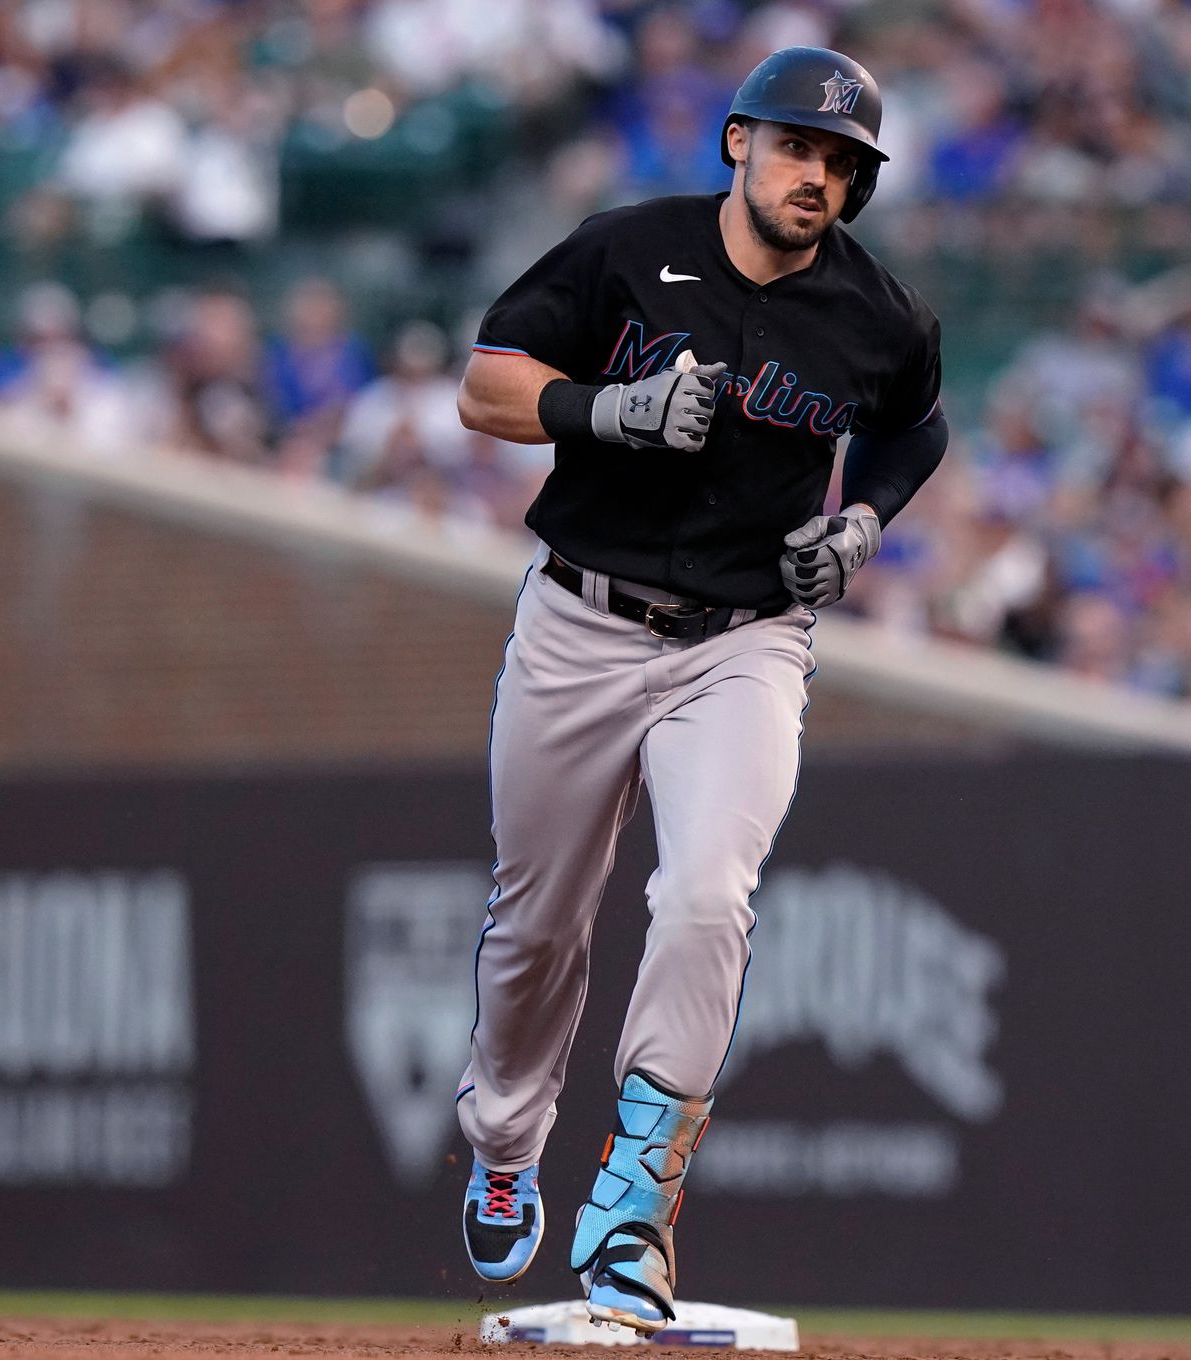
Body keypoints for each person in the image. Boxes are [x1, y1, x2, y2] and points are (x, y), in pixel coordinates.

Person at [450, 46, 946, 1332]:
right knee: (537, 924)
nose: (818, 176)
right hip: (581, 617)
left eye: (843, 163)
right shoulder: (626, 250)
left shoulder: (876, 314)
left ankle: (632, 1205)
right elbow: (485, 385)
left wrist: (867, 519)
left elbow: (915, 421)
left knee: (710, 896)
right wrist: (605, 411)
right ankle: (507, 1145)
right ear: (739, 142)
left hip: (748, 638)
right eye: (798, 147)